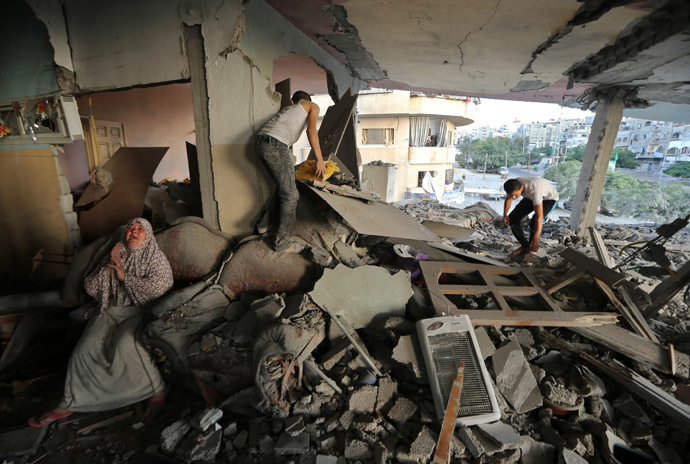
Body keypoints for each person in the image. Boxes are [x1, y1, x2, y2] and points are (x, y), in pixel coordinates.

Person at [29, 218, 174, 427]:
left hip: (139, 311)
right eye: (131, 228)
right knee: (84, 349)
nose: (134, 232)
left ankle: (157, 391)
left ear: (148, 235)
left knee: (126, 346)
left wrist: (126, 277)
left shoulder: (155, 258)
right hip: (110, 309)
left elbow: (161, 287)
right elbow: (91, 286)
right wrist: (110, 265)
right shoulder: (118, 252)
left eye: (140, 229)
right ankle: (71, 402)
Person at [255, 90, 326, 253]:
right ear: (305, 102)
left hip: (263, 142)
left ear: (291, 102)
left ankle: (263, 226)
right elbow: (312, 131)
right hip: (275, 145)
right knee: (291, 195)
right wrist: (319, 160)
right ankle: (282, 243)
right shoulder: (312, 105)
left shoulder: (289, 110)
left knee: (284, 187)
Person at [502, 177, 559, 255]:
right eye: (512, 195)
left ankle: (532, 249)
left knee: (534, 222)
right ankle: (525, 245)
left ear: (522, 187)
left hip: (549, 199)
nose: (513, 197)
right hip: (530, 196)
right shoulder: (513, 185)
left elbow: (539, 217)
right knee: (513, 218)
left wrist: (536, 237)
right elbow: (508, 199)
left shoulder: (534, 191)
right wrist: (505, 215)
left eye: (515, 195)